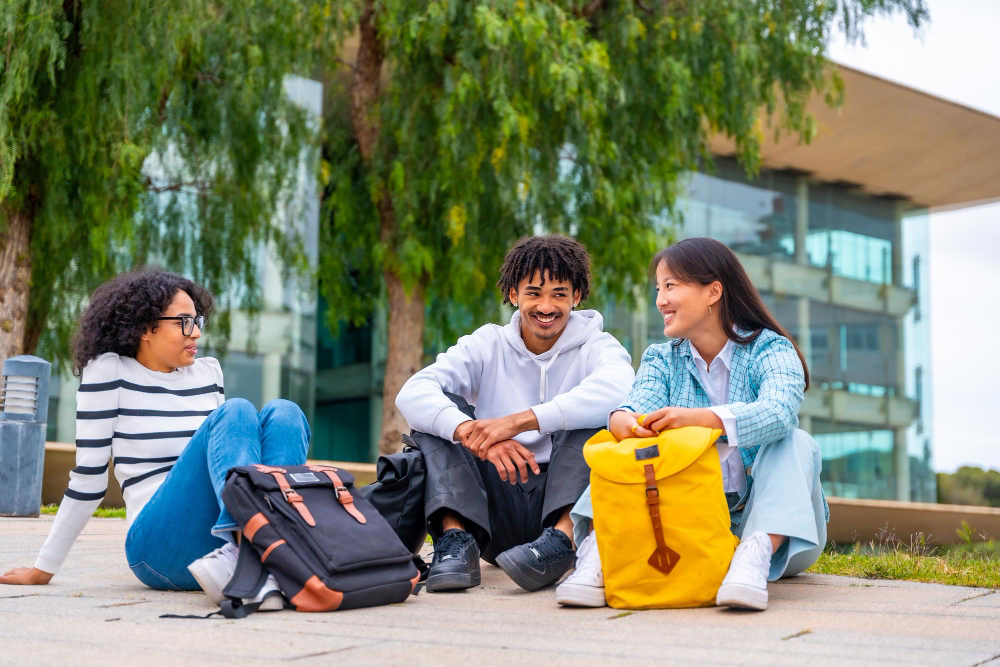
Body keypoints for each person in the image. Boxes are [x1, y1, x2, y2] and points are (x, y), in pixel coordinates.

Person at [0, 269, 311, 611]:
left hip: (215, 545)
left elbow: (227, 465)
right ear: (146, 328)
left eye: (197, 320)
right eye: (184, 322)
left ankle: (267, 556)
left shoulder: (208, 372)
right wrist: (44, 567)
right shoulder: (110, 371)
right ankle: (255, 558)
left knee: (286, 413)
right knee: (237, 411)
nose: (196, 333)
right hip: (157, 547)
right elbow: (89, 481)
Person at [556, 237, 828, 610]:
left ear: (713, 291)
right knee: (624, 447)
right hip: (686, 525)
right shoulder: (661, 358)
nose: (660, 300)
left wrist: (701, 420)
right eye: (658, 289)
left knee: (795, 440)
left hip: (777, 531)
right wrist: (624, 420)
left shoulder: (770, 348)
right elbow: (636, 406)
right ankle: (598, 552)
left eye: (670, 286)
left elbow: (779, 411)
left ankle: (753, 555)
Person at [391, 235, 634, 592]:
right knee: (438, 419)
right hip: (491, 508)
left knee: (595, 418)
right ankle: (456, 542)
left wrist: (519, 421)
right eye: (534, 293)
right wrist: (475, 435)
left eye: (559, 294)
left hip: (562, 498)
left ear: (577, 297)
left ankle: (562, 542)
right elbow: (413, 391)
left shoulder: (597, 346)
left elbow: (621, 390)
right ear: (514, 294)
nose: (546, 306)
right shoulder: (487, 343)